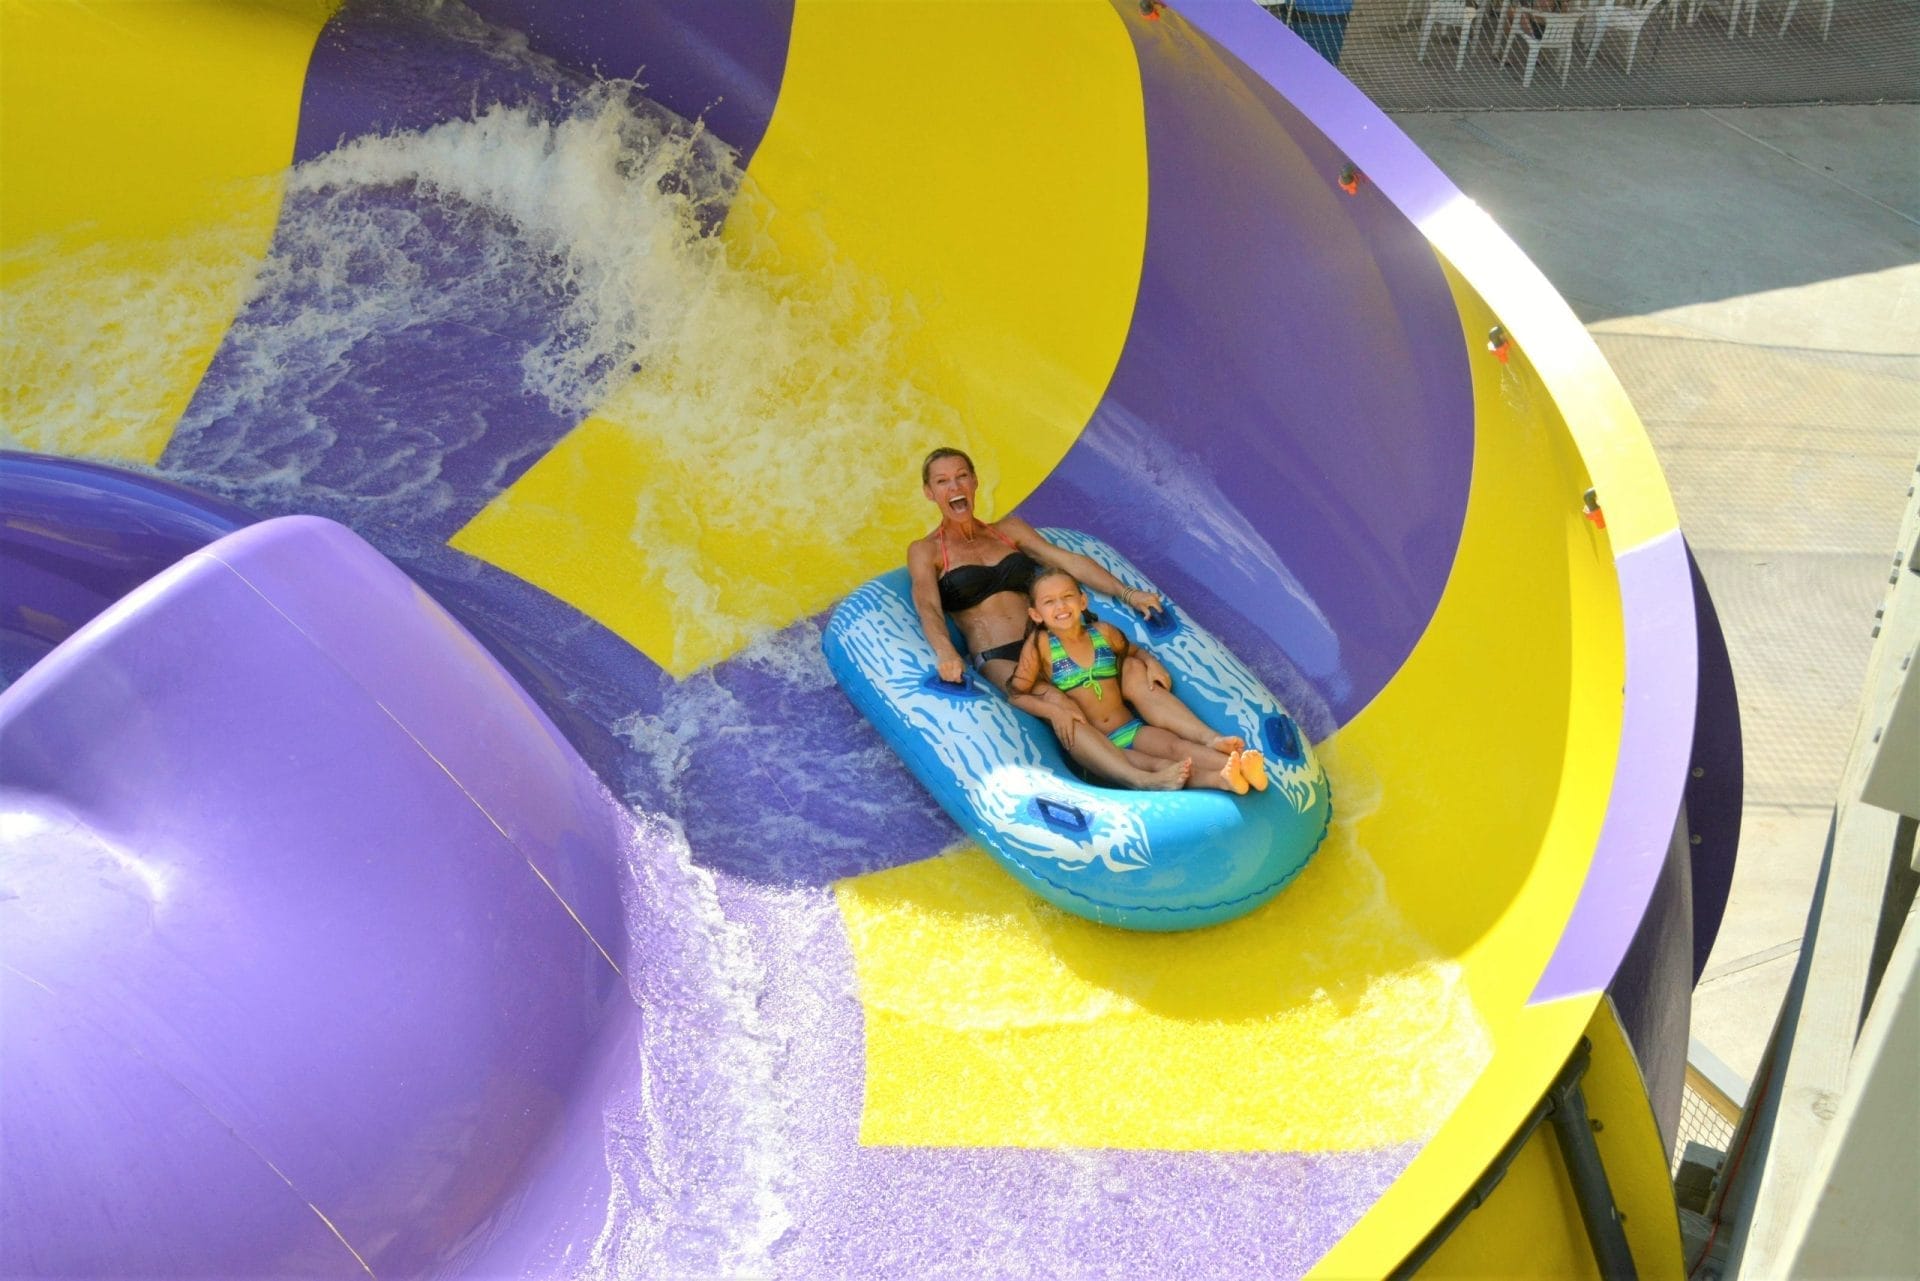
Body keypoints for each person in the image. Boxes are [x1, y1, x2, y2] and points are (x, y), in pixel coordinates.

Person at [908, 447, 1187, 791]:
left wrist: (1127, 593)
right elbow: (928, 607)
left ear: (975, 481)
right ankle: (1140, 779)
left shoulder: (1008, 530)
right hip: (1000, 656)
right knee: (1060, 703)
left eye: (962, 476)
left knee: (1120, 678)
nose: (955, 487)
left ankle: (1184, 752)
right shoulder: (926, 551)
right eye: (943, 481)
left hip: (1048, 642)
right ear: (929, 492)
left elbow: (1067, 562)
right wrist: (946, 652)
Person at [1009, 568, 1271, 794]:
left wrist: (1151, 663)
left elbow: (1133, 652)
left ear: (1083, 600)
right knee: (1159, 767)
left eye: (1067, 597)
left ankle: (1233, 772)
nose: (1061, 606)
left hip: (1130, 728)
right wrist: (1054, 711)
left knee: (1176, 746)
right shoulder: (1040, 645)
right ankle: (1203, 779)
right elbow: (1017, 694)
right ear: (1036, 615)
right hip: (1096, 744)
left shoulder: (1103, 633)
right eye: (1049, 602)